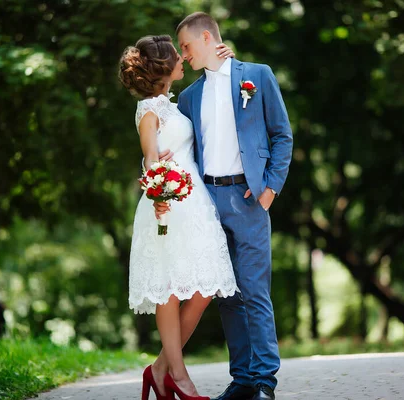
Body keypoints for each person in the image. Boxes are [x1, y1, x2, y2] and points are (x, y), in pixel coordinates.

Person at [155, 12, 293, 400]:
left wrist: (270, 190)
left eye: (185, 46)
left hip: (248, 199)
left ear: (205, 38)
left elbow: (282, 135)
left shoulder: (258, 76)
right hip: (206, 201)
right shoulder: (188, 96)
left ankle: (266, 381)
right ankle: (244, 380)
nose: (183, 55)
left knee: (254, 290)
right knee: (226, 294)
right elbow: (177, 146)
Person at [119, 36, 239, 399]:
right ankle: (179, 376)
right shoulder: (148, 110)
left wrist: (225, 60)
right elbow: (151, 158)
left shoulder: (172, 104)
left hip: (195, 205)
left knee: (204, 287)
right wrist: (158, 192)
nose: (182, 59)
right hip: (168, 206)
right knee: (169, 291)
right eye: (177, 56)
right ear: (163, 67)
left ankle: (158, 369)